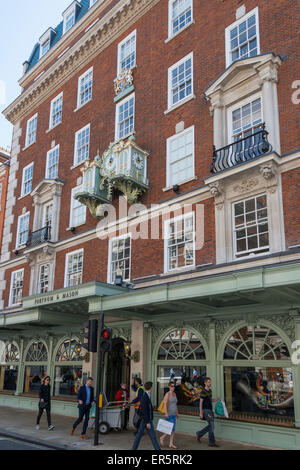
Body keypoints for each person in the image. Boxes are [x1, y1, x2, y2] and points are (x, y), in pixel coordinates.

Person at [132, 381, 161, 450]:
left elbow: (147, 408)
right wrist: (148, 422)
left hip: (146, 419)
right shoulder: (144, 397)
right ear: (151, 388)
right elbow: (144, 410)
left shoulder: (146, 395)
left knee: (141, 436)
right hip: (146, 420)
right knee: (151, 437)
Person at [196, 377, 220, 447]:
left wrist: (216, 400)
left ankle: (199, 434)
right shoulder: (203, 392)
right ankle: (212, 443)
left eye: (210, 382)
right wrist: (200, 413)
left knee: (211, 426)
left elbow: (210, 400)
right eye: (208, 382)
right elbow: (200, 403)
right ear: (205, 383)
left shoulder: (210, 391)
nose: (210, 383)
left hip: (210, 410)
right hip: (205, 410)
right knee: (212, 425)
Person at [159, 381, 179, 449]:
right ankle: (162, 437)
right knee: (170, 429)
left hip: (173, 414)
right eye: (172, 386)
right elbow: (164, 404)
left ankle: (171, 443)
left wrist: (177, 413)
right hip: (169, 414)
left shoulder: (175, 394)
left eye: (174, 386)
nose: (173, 387)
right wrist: (166, 413)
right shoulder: (167, 394)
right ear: (169, 387)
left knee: (173, 430)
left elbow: (175, 404)